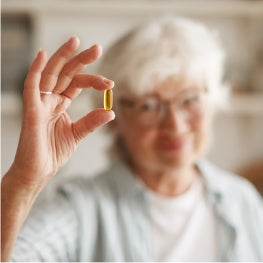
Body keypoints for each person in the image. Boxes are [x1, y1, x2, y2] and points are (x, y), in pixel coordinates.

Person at [1, 17, 263, 262]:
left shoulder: (242, 200)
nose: (174, 124)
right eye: (148, 106)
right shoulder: (82, 208)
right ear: (117, 119)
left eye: (190, 100)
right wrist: (24, 181)